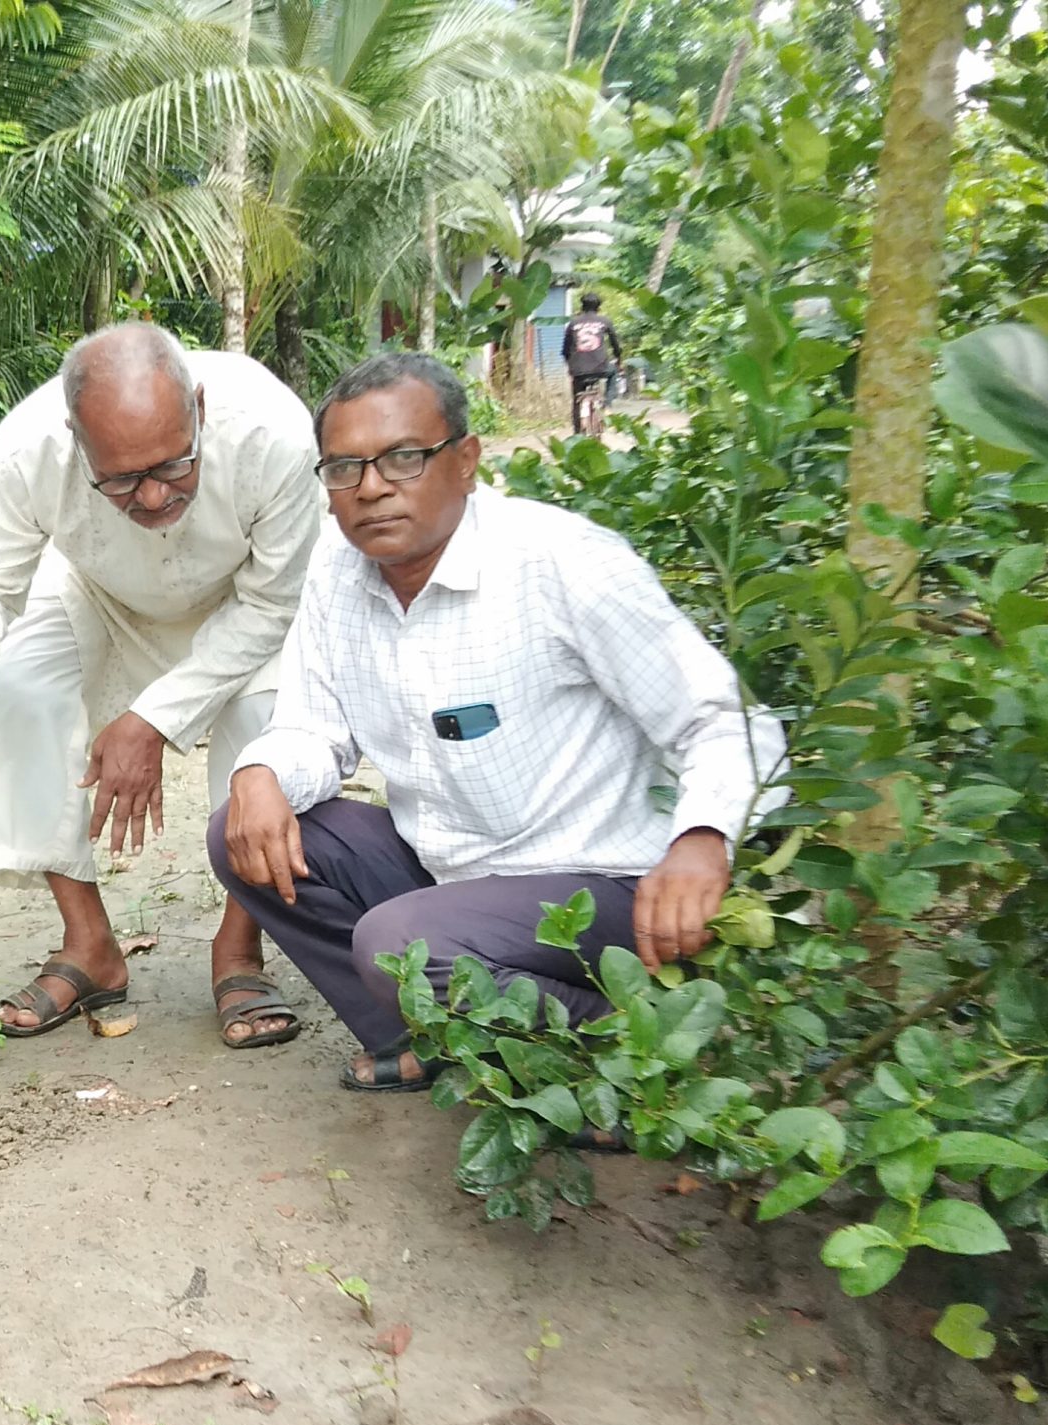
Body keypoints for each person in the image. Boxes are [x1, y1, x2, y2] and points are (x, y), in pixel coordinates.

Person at [211, 351, 784, 1095]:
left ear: (467, 459)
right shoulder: (336, 575)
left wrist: (704, 841)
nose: (373, 487)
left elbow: (731, 722)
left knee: (405, 942)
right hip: (452, 874)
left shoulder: (561, 564)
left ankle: (634, 1061)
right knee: (244, 826)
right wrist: (259, 771)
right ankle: (437, 1046)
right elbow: (315, 732)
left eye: (404, 458)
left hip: (599, 887)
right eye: (344, 468)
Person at [0, 322, 321, 1048]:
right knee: (18, 685)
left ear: (202, 409)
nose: (153, 497)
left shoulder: (275, 432)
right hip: (97, 592)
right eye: (120, 479)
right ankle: (90, 943)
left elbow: (275, 604)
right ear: (74, 438)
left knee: (266, 723)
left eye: (174, 466)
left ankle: (240, 945)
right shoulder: (28, 447)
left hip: (244, 605)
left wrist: (148, 720)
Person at [562, 292, 622, 434]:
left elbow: (565, 349)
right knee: (613, 372)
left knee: (577, 400)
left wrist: (570, 366)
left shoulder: (573, 323)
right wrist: (619, 359)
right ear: (598, 307)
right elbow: (615, 344)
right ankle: (607, 405)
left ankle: (577, 433)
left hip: (578, 370)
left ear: (582, 306)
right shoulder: (604, 321)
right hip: (600, 368)